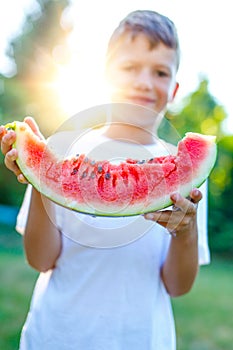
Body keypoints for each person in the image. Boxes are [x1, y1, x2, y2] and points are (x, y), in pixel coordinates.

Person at [0, 9, 210, 350]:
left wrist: (185, 231)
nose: (144, 82)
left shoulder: (187, 179)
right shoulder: (64, 150)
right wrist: (43, 181)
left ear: (173, 89)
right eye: (129, 67)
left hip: (141, 340)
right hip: (56, 337)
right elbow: (41, 259)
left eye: (159, 72)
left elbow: (177, 285)